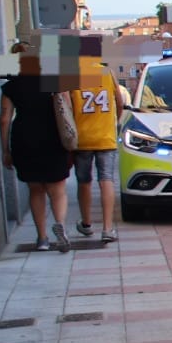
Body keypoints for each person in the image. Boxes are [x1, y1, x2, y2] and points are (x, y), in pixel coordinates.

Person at [0, 43, 73, 252]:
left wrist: (5, 150)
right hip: (53, 137)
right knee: (57, 189)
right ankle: (60, 225)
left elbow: (4, 118)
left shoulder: (11, 86)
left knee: (36, 189)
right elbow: (67, 108)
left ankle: (42, 238)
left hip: (25, 139)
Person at [71, 58, 122, 244]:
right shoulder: (107, 73)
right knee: (106, 179)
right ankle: (107, 228)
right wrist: (115, 121)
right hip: (105, 137)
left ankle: (86, 223)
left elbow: (66, 107)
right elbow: (119, 100)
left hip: (81, 138)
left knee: (84, 181)